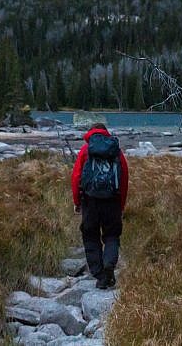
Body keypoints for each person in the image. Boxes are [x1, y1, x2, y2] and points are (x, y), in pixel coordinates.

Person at [71, 122, 129, 290]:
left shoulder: (86, 149)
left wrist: (77, 202)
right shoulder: (115, 151)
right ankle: (109, 264)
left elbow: (76, 177)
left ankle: (99, 274)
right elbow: (124, 179)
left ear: (91, 133)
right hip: (112, 201)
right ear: (106, 132)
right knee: (111, 235)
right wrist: (121, 205)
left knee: (90, 236)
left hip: (90, 201)